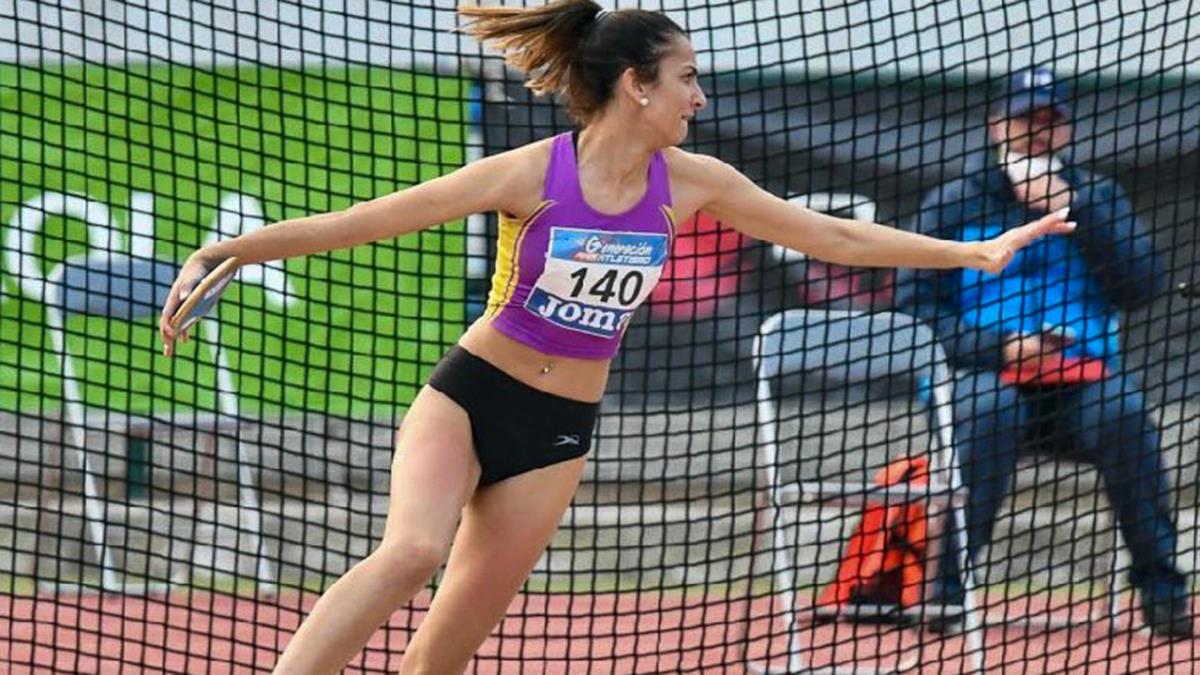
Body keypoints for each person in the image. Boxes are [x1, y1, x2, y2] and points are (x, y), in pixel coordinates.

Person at [159, 4, 1073, 672]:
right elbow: (375, 217)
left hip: (558, 430)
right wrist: (239, 246)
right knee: (411, 554)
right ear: (637, 85)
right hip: (471, 395)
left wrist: (977, 250)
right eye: (686, 80)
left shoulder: (693, 183)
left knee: (455, 631)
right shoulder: (530, 172)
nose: (700, 98)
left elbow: (831, 236)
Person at [894, 66, 1192, 638]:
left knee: (1125, 413)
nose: (1037, 131)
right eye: (1025, 118)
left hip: (1077, 383)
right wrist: (1001, 346)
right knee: (988, 413)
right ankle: (948, 593)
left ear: (1067, 131)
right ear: (996, 124)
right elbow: (916, 314)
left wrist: (1077, 211)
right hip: (979, 378)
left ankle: (1162, 592)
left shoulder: (1098, 196)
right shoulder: (954, 203)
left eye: (1050, 121)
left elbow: (1141, 288)